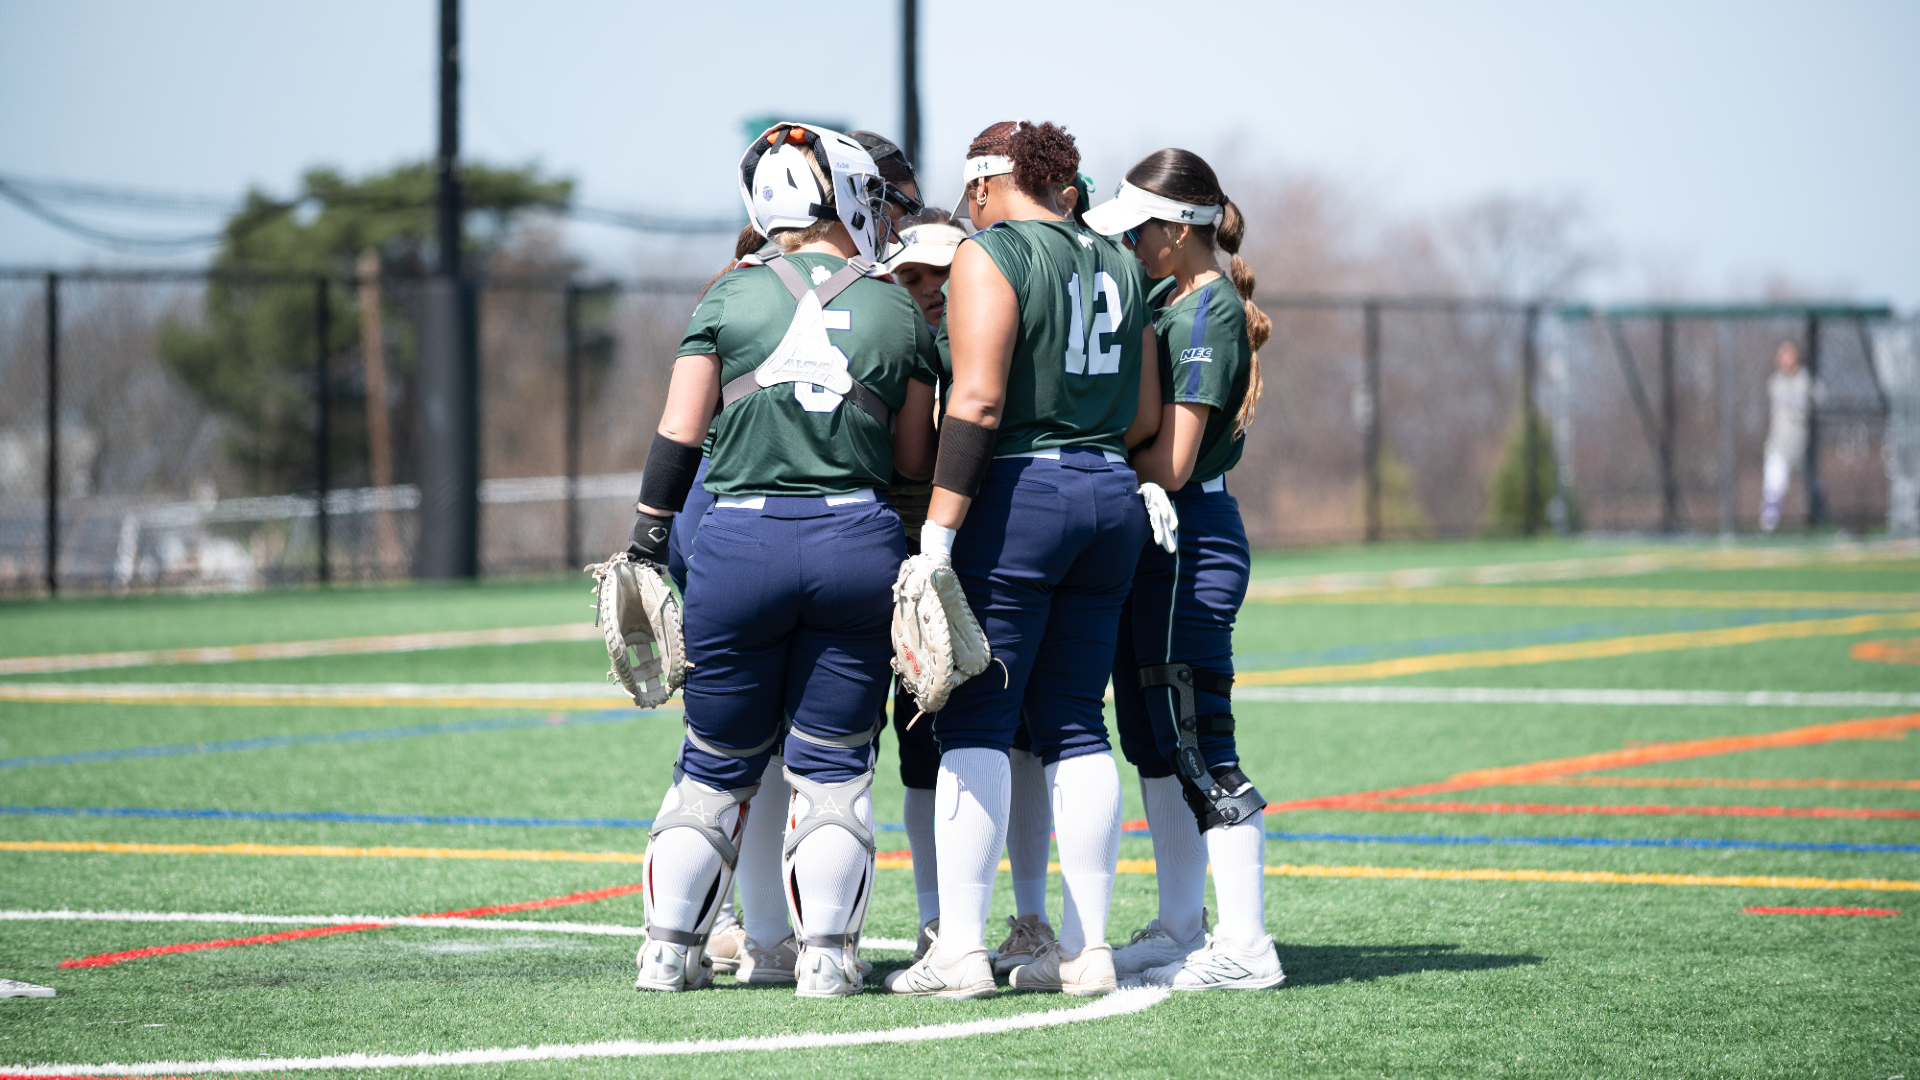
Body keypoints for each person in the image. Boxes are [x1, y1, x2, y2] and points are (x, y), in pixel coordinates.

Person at [628, 122, 938, 998]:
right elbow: (914, 460)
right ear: (844, 194)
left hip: (739, 541)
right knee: (835, 768)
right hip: (853, 542)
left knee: (713, 764)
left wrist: (646, 540)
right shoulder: (897, 306)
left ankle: (667, 951)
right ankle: (829, 959)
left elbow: (678, 435)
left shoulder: (727, 294)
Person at [885, 120, 1161, 999]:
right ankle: (1087, 949)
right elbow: (1145, 414)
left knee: (974, 722)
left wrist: (936, 536)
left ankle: (961, 948)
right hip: (1110, 489)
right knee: (1079, 725)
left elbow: (976, 398)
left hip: (1021, 495)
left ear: (979, 187)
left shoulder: (990, 251)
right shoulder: (1119, 259)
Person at [1084, 149, 1284, 990]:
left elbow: (1172, 462)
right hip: (1159, 538)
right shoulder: (1172, 295)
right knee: (1155, 742)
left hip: (1188, 532)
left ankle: (1246, 944)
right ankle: (1178, 925)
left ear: (1175, 231)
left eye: (1138, 230)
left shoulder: (1206, 315)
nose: (1129, 244)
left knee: (1199, 742)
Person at [880, 213, 1062, 973]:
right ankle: (937, 921)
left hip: (993, 551)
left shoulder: (989, 338)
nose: (925, 290)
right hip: (923, 562)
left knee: (1021, 733)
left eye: (938, 274)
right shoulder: (902, 348)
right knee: (921, 737)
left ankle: (1029, 919)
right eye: (910, 278)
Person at [1760, 338, 1817, 532]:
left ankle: (1821, 518)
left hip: (1801, 445)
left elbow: (1814, 398)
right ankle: (1768, 525)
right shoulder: (1775, 381)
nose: (1784, 360)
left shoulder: (1805, 380)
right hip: (1779, 444)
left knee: (1813, 486)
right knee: (1774, 482)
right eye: (1782, 355)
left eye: (1788, 355)